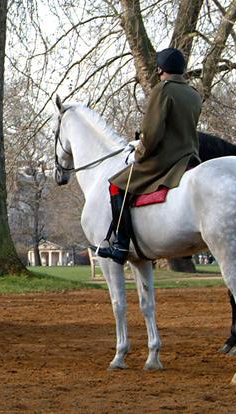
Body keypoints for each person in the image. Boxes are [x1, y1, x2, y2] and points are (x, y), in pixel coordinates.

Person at [96, 48, 204, 264]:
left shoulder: (163, 90)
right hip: (190, 156)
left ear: (160, 70)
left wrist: (140, 152)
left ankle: (121, 245)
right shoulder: (194, 94)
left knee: (116, 185)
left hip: (165, 160)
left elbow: (152, 132)